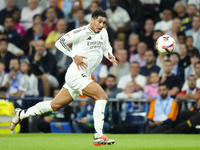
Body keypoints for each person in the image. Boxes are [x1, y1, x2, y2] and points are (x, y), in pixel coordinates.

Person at [10, 10, 116, 145]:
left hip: (84, 75)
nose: (101, 25)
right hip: (76, 74)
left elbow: (106, 46)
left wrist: (110, 54)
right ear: (92, 20)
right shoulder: (81, 32)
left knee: (54, 105)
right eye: (99, 22)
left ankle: (21, 114)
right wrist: (74, 56)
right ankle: (98, 135)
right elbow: (59, 42)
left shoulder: (103, 33)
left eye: (104, 23)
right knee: (102, 97)